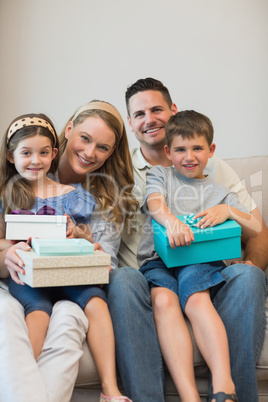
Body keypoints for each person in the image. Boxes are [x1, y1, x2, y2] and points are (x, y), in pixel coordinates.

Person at [0, 101, 164, 402]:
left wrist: (86, 240)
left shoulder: (82, 197)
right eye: (85, 139)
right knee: (34, 312)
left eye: (102, 147)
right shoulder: (10, 192)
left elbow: (99, 254)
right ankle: (24, 386)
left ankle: (111, 389)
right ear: (69, 131)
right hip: (26, 274)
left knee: (90, 304)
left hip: (69, 271)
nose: (90, 153)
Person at [118, 77, 268, 402]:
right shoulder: (149, 172)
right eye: (139, 113)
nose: (189, 156)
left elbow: (256, 226)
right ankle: (190, 396)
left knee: (199, 298)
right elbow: (155, 201)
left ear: (210, 151)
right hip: (155, 265)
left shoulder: (218, 184)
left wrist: (228, 211)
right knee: (162, 300)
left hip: (198, 261)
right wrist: (170, 221)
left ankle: (225, 388)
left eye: (156, 109)